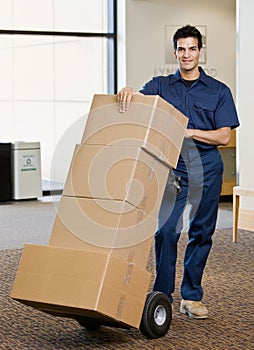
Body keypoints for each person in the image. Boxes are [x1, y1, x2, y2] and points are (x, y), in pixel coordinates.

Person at [118, 25, 240, 319]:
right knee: (166, 230)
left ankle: (191, 296)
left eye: (192, 48)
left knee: (201, 232)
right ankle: (162, 294)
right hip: (174, 166)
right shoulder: (161, 86)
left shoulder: (219, 91)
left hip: (208, 167)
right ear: (175, 53)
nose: (187, 54)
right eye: (181, 49)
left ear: (200, 51)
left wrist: (191, 133)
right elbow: (139, 102)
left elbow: (224, 136)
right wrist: (127, 91)